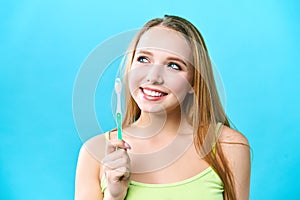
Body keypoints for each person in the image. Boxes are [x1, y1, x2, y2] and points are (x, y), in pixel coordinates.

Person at [75, 15, 250, 200]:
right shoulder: (94, 153)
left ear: (194, 83)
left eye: (174, 65)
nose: (153, 77)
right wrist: (114, 195)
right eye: (143, 59)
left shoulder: (229, 147)